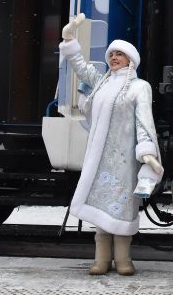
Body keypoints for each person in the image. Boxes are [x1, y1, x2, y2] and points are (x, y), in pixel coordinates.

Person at [58, 14, 163, 276]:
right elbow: (80, 66)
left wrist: (147, 152)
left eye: (120, 54)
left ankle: (124, 259)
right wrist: (69, 39)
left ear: (131, 59)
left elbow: (144, 121)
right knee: (100, 205)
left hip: (125, 158)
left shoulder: (140, 87)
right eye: (112, 54)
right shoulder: (102, 82)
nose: (114, 58)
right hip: (99, 157)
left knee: (123, 205)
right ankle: (101, 260)